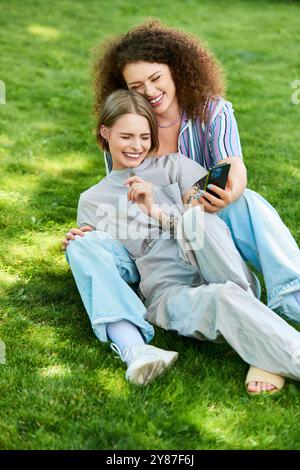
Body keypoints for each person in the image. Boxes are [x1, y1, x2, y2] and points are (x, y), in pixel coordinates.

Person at [64, 20, 300, 393]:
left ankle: (289, 300)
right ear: (106, 134)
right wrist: (88, 237)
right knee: (223, 295)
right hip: (168, 290)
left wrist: (175, 205)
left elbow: (226, 170)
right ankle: (260, 339)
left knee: (228, 210)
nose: (137, 145)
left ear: (177, 69)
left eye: (144, 137)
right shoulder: (96, 194)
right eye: (137, 87)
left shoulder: (187, 147)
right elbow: (117, 232)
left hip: (210, 238)